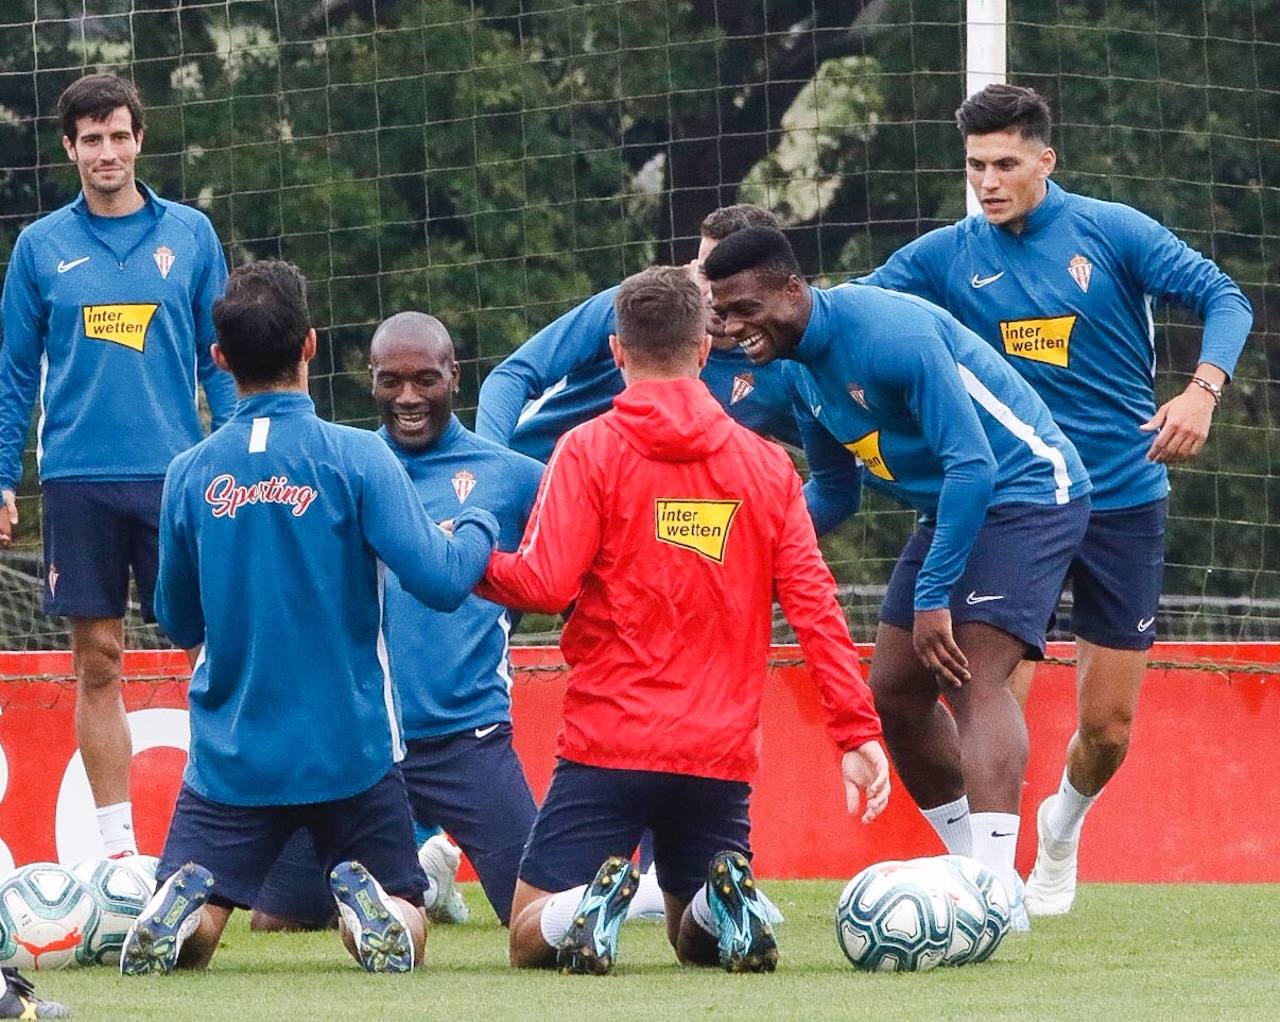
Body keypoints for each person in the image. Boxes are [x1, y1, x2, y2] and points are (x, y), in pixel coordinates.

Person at [859, 84, 1253, 916]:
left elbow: (1225, 296)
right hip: (1017, 504)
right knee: (986, 692)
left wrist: (1203, 391)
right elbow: (849, 313)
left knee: (1107, 729)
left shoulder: (1113, 232)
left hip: (1119, 498)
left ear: (1046, 159)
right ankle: (984, 881)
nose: (989, 182)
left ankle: (1062, 829)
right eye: (975, 166)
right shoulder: (943, 257)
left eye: (1006, 164)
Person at [477, 265, 889, 975]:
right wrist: (857, 732)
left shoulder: (587, 450)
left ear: (616, 353)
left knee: (524, 933)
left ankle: (586, 909)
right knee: (686, 937)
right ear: (704, 351)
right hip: (716, 750)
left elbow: (544, 584)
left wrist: (470, 557)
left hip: (609, 740)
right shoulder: (765, 467)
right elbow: (814, 605)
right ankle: (716, 907)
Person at [704, 226, 1093, 928]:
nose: (733, 328)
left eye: (745, 308)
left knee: (971, 674)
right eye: (721, 315)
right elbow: (833, 489)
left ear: (793, 289)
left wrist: (936, 591)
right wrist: (753, 556)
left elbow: (976, 464)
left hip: (1031, 490)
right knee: (893, 694)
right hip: (949, 503)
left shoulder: (890, 334)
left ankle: (996, 892)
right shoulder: (798, 369)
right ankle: (966, 869)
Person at [118, 261, 499, 976]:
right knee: (407, 922)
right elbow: (444, 581)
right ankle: (373, 912)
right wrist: (478, 517)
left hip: (233, 757)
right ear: (311, 346)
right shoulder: (356, 457)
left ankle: (184, 915)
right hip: (348, 753)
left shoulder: (190, 473)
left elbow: (176, 621)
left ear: (221, 359)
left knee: (200, 929)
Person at [0, 73, 237, 859]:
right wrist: (3, 475)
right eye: (91, 139)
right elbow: (14, 374)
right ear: (70, 149)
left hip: (176, 480)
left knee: (207, 651)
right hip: (77, 482)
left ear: (140, 139)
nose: (108, 152)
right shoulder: (40, 248)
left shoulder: (192, 235)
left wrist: (235, 452)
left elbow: (221, 361)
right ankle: (116, 856)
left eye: (120, 135)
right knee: (97, 659)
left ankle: (218, 834)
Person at [249, 311, 544, 931]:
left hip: (469, 742)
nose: (408, 397)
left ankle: (427, 869)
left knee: (535, 920)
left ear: (455, 378)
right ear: (370, 380)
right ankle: (422, 872)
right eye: (391, 381)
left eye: (425, 379)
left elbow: (565, 571)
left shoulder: (514, 478)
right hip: (359, 746)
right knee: (276, 923)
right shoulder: (341, 466)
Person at [475, 204, 805, 459]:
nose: (712, 293)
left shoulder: (783, 372)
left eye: (731, 279)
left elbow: (839, 469)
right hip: (538, 480)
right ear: (691, 267)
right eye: (707, 273)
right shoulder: (639, 304)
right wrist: (495, 465)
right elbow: (512, 376)